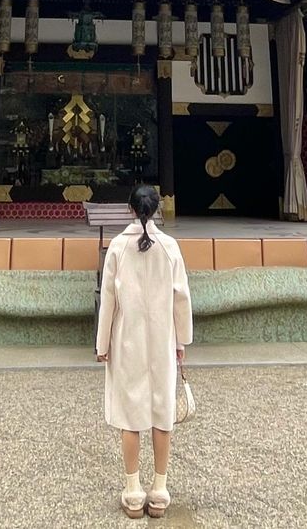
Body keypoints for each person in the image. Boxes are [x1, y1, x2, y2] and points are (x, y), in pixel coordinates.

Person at [96, 185, 193, 519]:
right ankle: (160, 488)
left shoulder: (119, 248)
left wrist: (101, 343)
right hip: (162, 339)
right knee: (161, 412)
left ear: (129, 210)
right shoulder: (170, 247)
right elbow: (182, 297)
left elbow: (107, 298)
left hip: (126, 339)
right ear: (158, 209)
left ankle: (133, 489)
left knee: (130, 414)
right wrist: (182, 341)